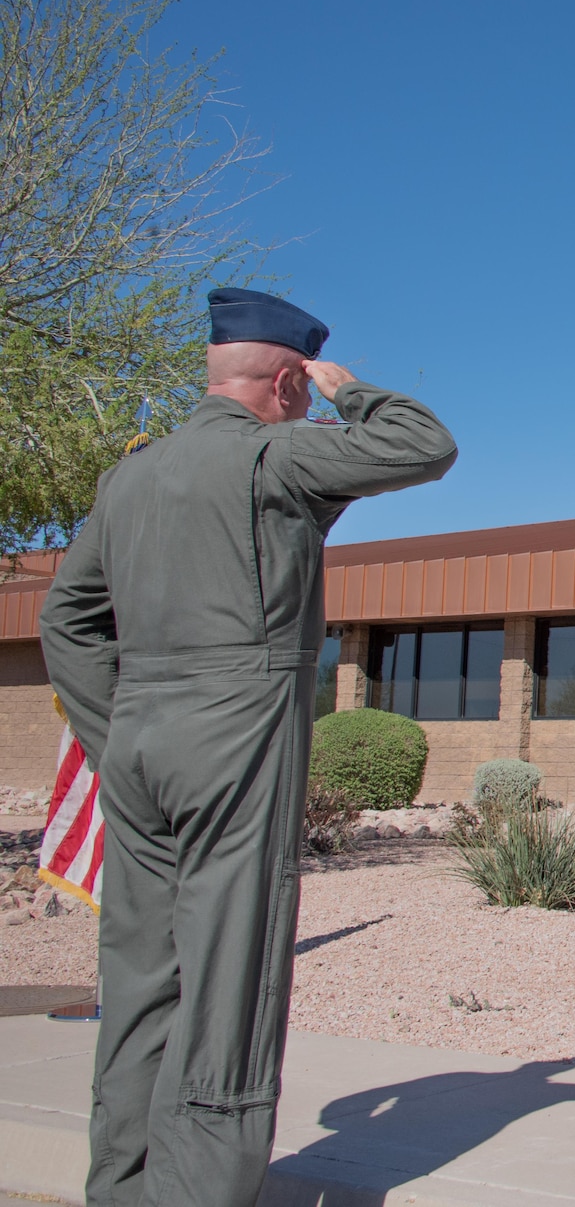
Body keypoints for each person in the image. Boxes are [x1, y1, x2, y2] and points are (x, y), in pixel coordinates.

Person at [39, 288, 458, 1206]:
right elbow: (425, 443)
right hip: (238, 733)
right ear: (284, 379)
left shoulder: (133, 477)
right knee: (233, 970)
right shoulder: (274, 451)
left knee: (143, 968)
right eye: (302, 385)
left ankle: (122, 1183)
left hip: (139, 739)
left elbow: (65, 619)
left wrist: (115, 728)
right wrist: (351, 392)